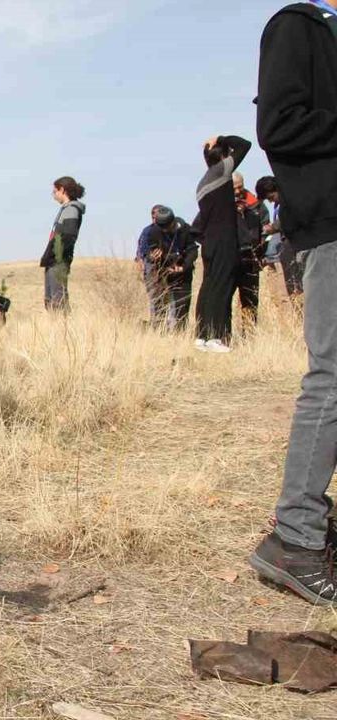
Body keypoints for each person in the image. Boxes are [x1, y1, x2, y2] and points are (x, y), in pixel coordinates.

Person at [248, 0, 337, 606]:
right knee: (333, 379)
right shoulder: (298, 25)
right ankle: (296, 539)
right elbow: (278, 127)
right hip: (332, 225)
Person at [191, 134, 253, 353]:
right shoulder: (221, 170)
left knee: (208, 286)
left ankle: (201, 336)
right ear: (224, 155)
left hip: (209, 241)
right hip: (224, 240)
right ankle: (216, 337)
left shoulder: (203, 181)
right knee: (222, 286)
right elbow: (245, 145)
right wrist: (222, 138)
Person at [142, 206, 198, 330]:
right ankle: (158, 332)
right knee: (159, 305)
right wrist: (153, 257)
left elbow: (193, 251)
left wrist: (183, 267)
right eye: (162, 228)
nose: (165, 230)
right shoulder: (152, 232)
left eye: (167, 227)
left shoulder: (185, 229)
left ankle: (178, 335)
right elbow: (148, 255)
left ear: (173, 222)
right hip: (161, 273)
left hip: (182, 271)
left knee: (181, 306)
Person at [39, 176, 87, 311]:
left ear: (63, 190)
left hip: (58, 261)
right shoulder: (66, 209)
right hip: (53, 260)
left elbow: (69, 236)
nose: (54, 195)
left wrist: (56, 255)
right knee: (50, 300)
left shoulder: (71, 209)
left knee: (58, 301)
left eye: (55, 191)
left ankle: (63, 329)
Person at [257, 175, 304, 299]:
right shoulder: (278, 205)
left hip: (295, 246)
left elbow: (286, 220)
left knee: (298, 288)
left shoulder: (289, 201)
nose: (271, 201)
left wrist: (272, 228)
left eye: (271, 197)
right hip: (286, 247)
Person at [232, 172, 269, 325]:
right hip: (231, 259)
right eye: (234, 188)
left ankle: (249, 334)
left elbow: (266, 231)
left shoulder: (257, 205)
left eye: (240, 187)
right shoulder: (222, 204)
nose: (237, 191)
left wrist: (261, 254)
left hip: (252, 260)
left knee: (250, 300)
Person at [136, 205, 164, 323]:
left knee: (165, 296)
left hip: (164, 265)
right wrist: (139, 260)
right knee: (154, 295)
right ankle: (155, 322)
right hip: (149, 265)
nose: (154, 217)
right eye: (153, 214)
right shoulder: (147, 230)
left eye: (157, 214)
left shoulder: (168, 229)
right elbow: (140, 247)